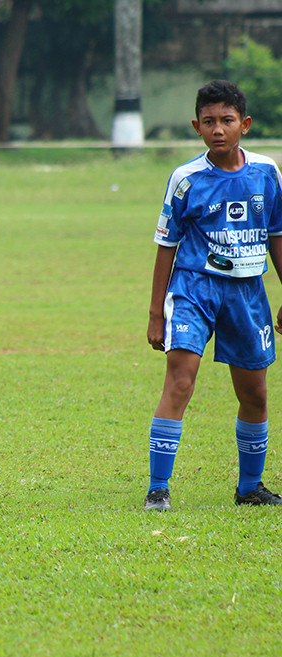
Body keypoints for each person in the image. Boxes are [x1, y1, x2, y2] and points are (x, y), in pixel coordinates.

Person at [144, 80, 282, 511]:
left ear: (245, 124)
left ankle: (249, 488)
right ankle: (158, 489)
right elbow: (166, 244)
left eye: (226, 120)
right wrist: (155, 313)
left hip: (248, 293)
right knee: (180, 380)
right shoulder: (185, 179)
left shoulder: (267, 172)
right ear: (196, 127)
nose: (218, 129)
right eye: (209, 122)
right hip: (194, 289)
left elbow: (277, 237)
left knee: (255, 394)